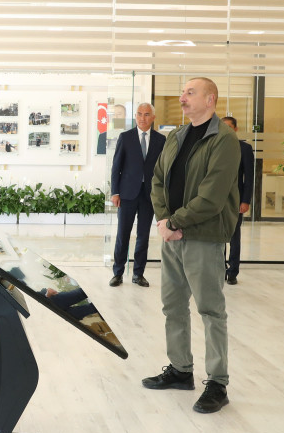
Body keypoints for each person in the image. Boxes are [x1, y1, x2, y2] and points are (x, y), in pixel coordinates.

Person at [145, 77, 241, 414]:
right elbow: (158, 180)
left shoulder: (224, 140)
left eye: (190, 92)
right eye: (183, 92)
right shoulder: (176, 136)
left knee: (210, 310)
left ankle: (217, 382)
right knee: (172, 306)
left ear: (210, 99)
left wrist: (174, 223)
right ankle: (180, 370)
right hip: (172, 236)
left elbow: (212, 196)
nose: (182, 98)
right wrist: (165, 221)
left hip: (203, 236)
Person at [108, 103, 165, 288]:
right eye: (139, 114)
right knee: (122, 234)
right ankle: (118, 273)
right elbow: (116, 167)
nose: (142, 118)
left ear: (153, 117)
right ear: (135, 116)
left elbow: (163, 170)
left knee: (143, 236)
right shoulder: (125, 137)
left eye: (147, 114)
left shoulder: (160, 140)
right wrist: (115, 192)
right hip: (126, 194)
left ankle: (138, 274)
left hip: (149, 195)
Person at [221, 116, 254, 285]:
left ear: (235, 129)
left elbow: (249, 178)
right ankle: (219, 269)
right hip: (217, 200)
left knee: (234, 236)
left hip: (236, 200)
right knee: (218, 236)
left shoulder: (245, 149)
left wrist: (246, 200)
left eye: (229, 126)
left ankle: (232, 271)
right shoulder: (214, 146)